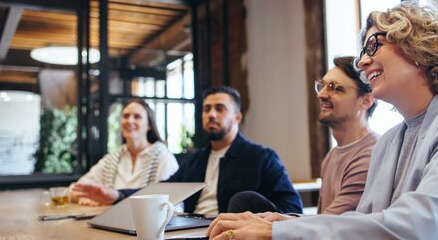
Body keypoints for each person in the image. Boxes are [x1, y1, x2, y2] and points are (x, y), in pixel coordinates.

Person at [206, 0, 438, 240]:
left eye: (374, 46)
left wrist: (281, 231)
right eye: (363, 51)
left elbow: (421, 227)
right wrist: (285, 221)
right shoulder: (389, 141)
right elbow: (366, 223)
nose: (362, 61)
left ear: (420, 48)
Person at [72, 86, 303, 217]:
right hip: (191, 231)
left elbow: (293, 210)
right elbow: (162, 190)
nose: (211, 114)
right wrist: (118, 195)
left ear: (237, 117)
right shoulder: (196, 160)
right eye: (207, 109)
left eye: (219, 109)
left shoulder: (262, 158)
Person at [70, 98, 179, 206]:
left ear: (149, 125)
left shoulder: (163, 158)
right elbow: (74, 190)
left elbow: (174, 202)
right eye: (126, 116)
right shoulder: (111, 159)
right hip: (110, 221)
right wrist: (89, 197)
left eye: (137, 117)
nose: (129, 121)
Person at [315, 56, 379, 214]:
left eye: (334, 87)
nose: (321, 95)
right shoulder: (331, 156)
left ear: (366, 101)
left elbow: (330, 224)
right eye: (322, 86)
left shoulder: (370, 156)